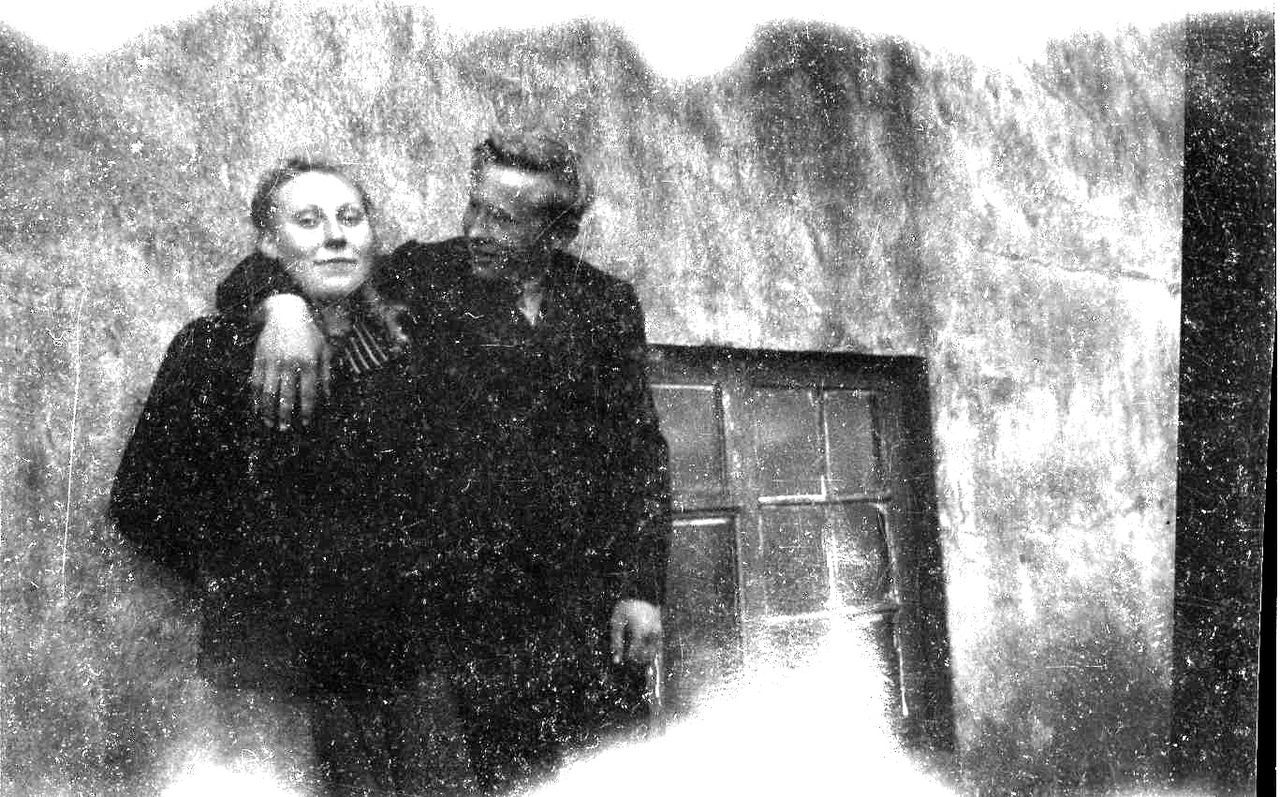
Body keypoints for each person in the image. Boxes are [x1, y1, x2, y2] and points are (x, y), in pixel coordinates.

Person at [215, 129, 672, 793]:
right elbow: (276, 266)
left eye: (503, 219)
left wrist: (642, 585)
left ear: (561, 233)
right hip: (472, 614)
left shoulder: (605, 303)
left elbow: (638, 449)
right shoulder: (425, 276)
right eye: (474, 206)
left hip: (590, 603)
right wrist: (282, 309)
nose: (476, 229)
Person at [110, 157, 468, 796]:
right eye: (307, 221)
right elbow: (140, 503)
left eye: (350, 218)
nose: (335, 236)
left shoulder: (406, 349)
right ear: (269, 244)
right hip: (275, 674)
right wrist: (254, 583)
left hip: (405, 670)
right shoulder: (213, 350)